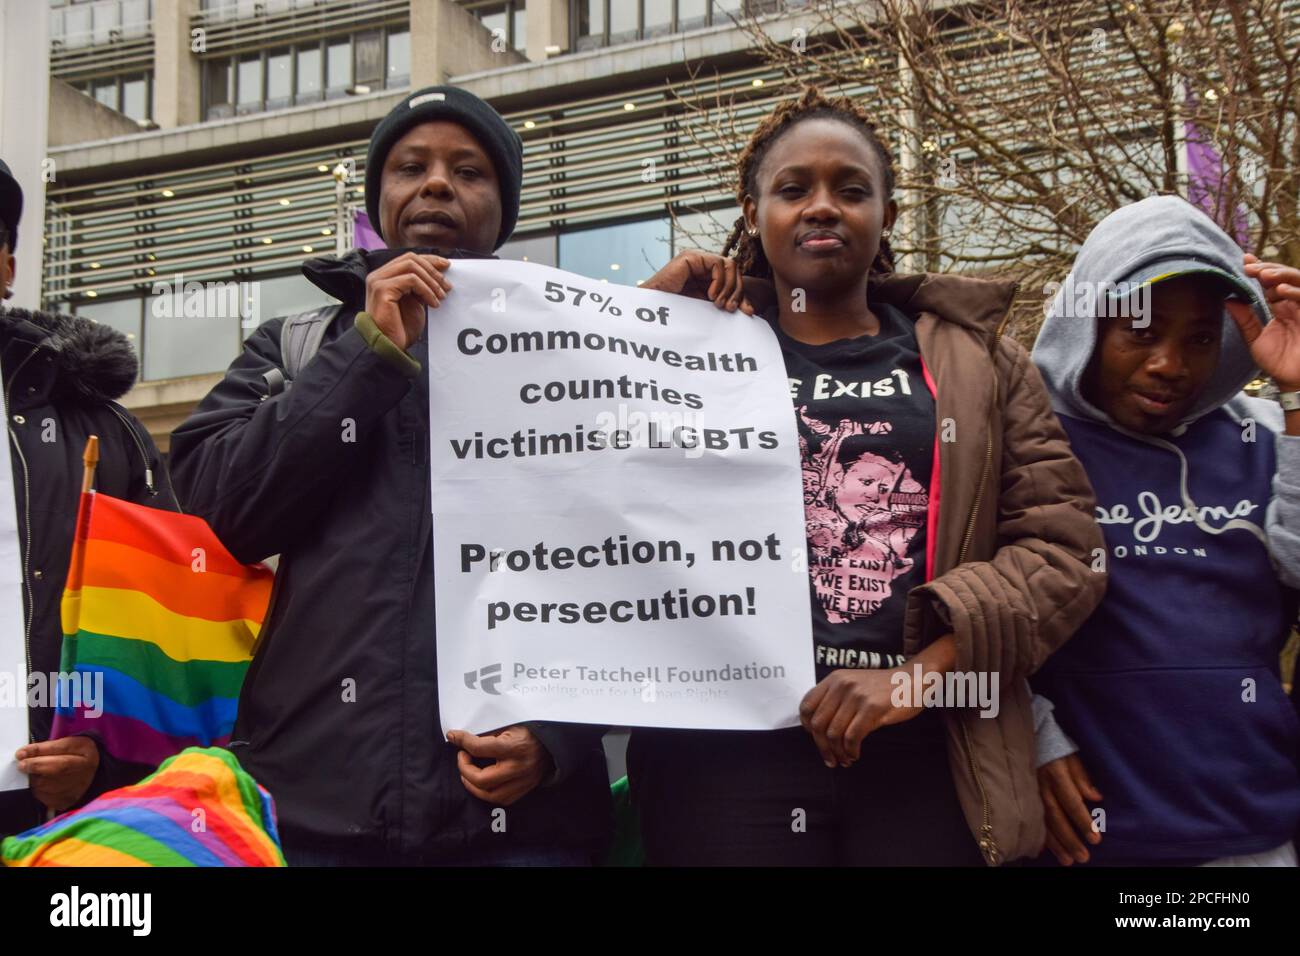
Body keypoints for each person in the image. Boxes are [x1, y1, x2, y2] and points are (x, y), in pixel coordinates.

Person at [628, 87, 1106, 866]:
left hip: (929, 752)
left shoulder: (978, 362)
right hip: (719, 759)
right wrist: (640, 322)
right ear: (753, 215)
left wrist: (920, 678)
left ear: (885, 214)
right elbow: (573, 477)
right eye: (793, 189)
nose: (823, 206)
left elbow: (1064, 552)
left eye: (851, 189)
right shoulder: (688, 346)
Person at [167, 87, 611, 866]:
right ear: (381, 196)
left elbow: (641, 573)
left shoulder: (577, 352)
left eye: (467, 170)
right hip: (312, 814)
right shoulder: (298, 346)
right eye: (411, 166)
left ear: (501, 208)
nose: (436, 184)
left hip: (519, 829)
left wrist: (560, 740)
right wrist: (366, 353)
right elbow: (221, 513)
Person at [1029, 195, 1300, 867]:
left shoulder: (1266, 435)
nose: (1169, 365)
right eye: (1141, 333)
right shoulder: (1028, 443)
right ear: (1089, 323)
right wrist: (1029, 734)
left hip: (1252, 834)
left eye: (1200, 338)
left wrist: (1298, 396)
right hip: (1087, 840)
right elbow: (964, 610)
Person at [0, 158, 178, 836]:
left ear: (8, 265)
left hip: (43, 815)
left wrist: (102, 758)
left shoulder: (100, 430)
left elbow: (162, 634)